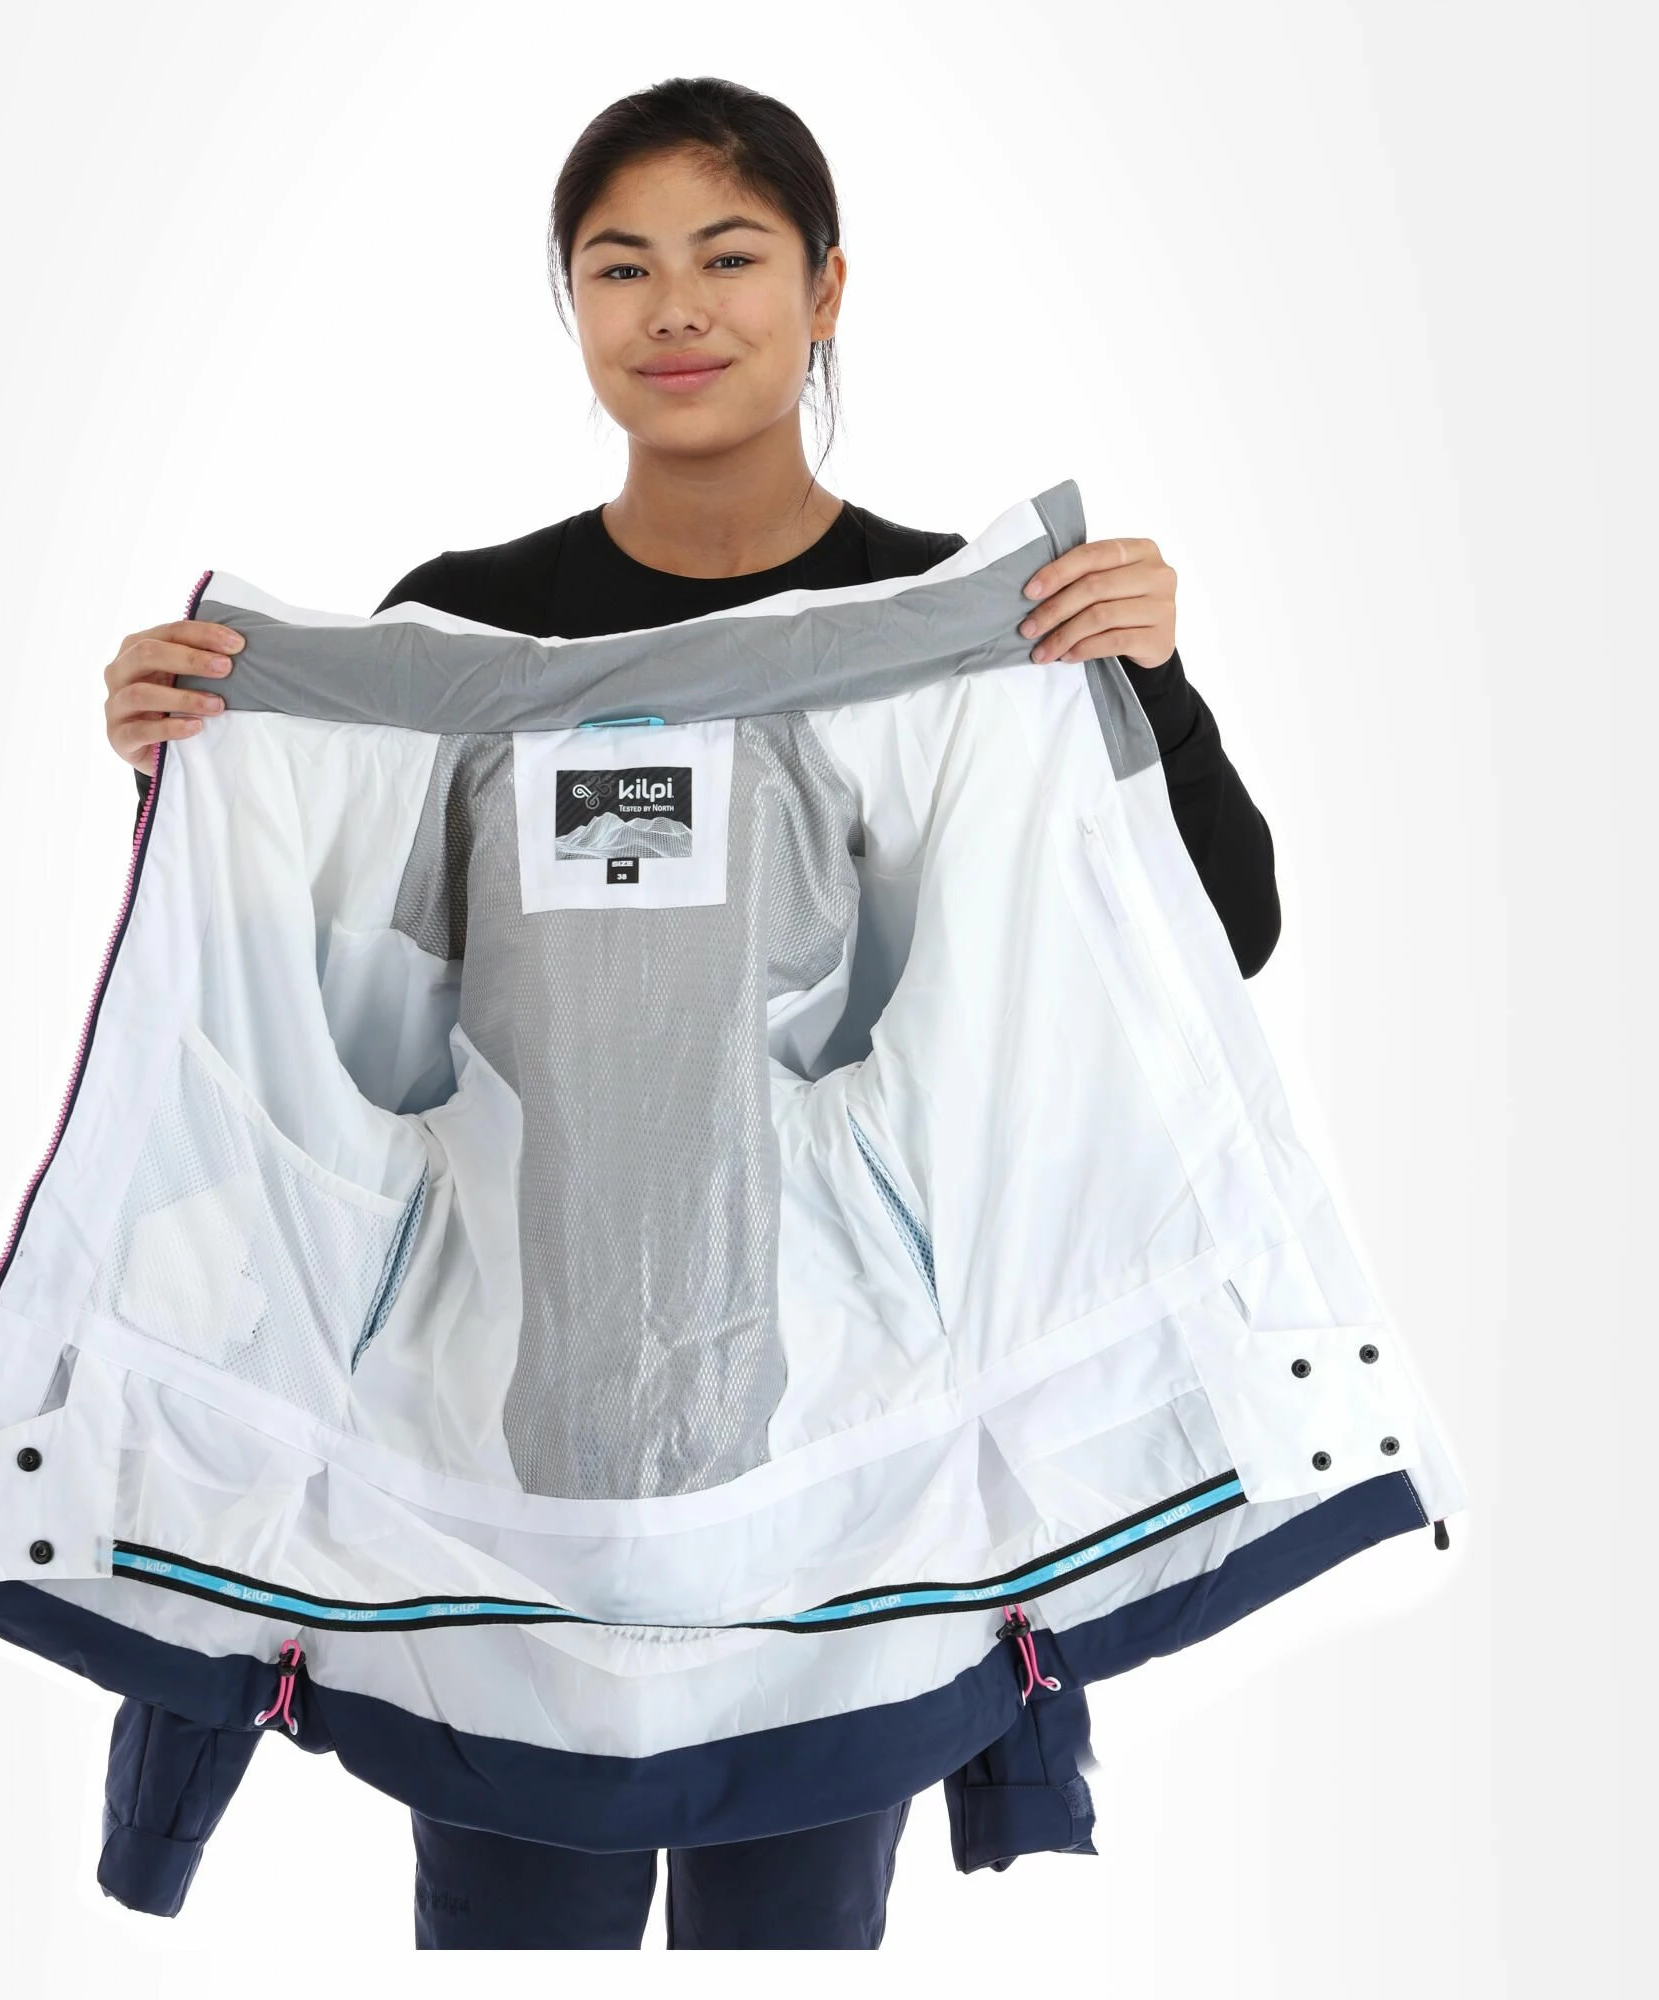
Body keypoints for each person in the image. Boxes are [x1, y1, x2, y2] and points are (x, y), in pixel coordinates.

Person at [95, 75, 1280, 1952]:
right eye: (620, 265)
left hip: (838, 1475)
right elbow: (327, 1027)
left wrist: (1151, 689)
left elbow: (1214, 939)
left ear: (825, 290)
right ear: (568, 302)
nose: (675, 310)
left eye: (729, 258)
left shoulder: (961, 622)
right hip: (513, 1468)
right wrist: (195, 779)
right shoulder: (462, 636)